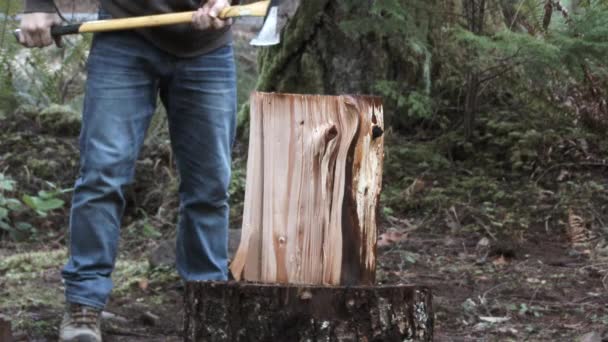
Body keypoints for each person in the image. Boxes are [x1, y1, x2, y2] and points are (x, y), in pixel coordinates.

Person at [19, 0, 236, 340]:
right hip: (123, 30)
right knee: (102, 176)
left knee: (210, 186)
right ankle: (84, 304)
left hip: (207, 47)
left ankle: (208, 305)